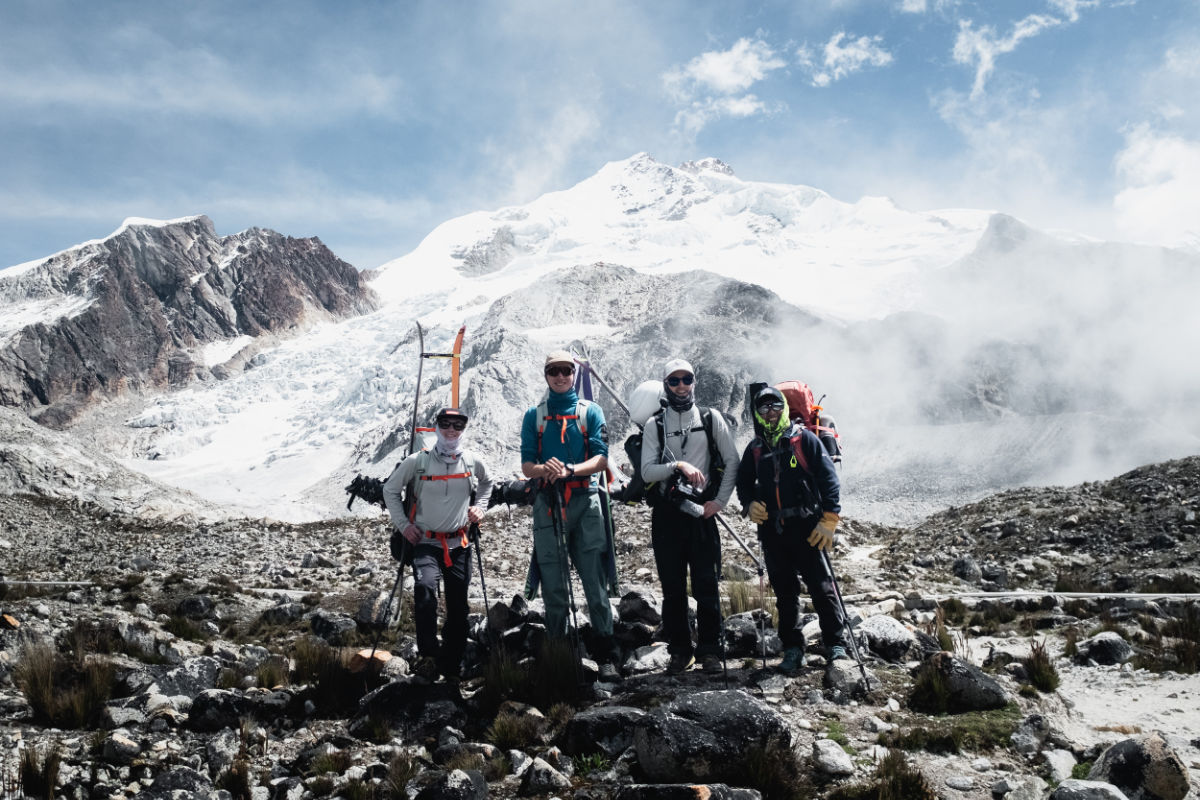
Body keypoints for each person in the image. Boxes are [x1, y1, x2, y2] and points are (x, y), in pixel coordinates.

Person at [521, 350, 622, 682]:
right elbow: (527, 465)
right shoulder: (533, 417)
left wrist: (569, 469)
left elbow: (601, 458)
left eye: (566, 370)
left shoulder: (590, 412)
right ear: (546, 375)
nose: (561, 376)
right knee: (553, 583)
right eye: (554, 371)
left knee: (594, 580)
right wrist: (545, 470)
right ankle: (559, 652)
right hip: (548, 504)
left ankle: (606, 651)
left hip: (586, 500)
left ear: (574, 374)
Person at [736, 386, 847, 674]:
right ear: (757, 414)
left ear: (784, 408)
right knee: (785, 594)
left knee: (823, 589)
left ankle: (836, 644)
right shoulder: (755, 449)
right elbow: (743, 482)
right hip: (774, 533)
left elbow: (828, 478)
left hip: (809, 529)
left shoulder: (805, 439)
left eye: (775, 406)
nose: (770, 413)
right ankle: (793, 649)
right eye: (763, 408)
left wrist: (830, 519)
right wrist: (748, 504)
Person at [640, 359, 740, 675]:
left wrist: (720, 502)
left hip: (701, 515)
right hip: (667, 516)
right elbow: (646, 471)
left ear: (694, 382)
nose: (681, 386)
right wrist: (677, 466)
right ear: (666, 385)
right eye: (674, 381)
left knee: (706, 584)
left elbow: (732, 461)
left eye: (686, 379)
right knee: (673, 589)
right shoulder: (655, 425)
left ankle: (710, 651)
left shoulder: (711, 419)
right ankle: (680, 651)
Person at [382, 407, 493, 682]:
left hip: (459, 543)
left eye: (458, 425)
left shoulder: (471, 460)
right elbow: (390, 490)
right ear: (437, 427)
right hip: (425, 542)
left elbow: (488, 482)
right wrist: (404, 526)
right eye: (446, 424)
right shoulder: (418, 461)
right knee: (425, 590)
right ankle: (430, 651)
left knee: (459, 609)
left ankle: (451, 665)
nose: (452, 430)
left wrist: (480, 508)